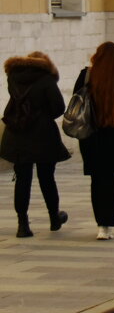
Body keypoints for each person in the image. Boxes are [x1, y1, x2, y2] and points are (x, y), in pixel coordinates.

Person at [1, 51, 71, 238]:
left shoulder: (13, 78)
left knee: (22, 179)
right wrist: (43, 115)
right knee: (47, 177)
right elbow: (58, 107)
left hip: (18, 133)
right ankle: (54, 218)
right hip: (43, 136)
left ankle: (22, 225)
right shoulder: (46, 79)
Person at [75, 42, 114, 240]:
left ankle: (100, 224)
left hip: (92, 132)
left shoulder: (87, 75)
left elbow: (76, 101)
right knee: (112, 180)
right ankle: (108, 226)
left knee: (97, 179)